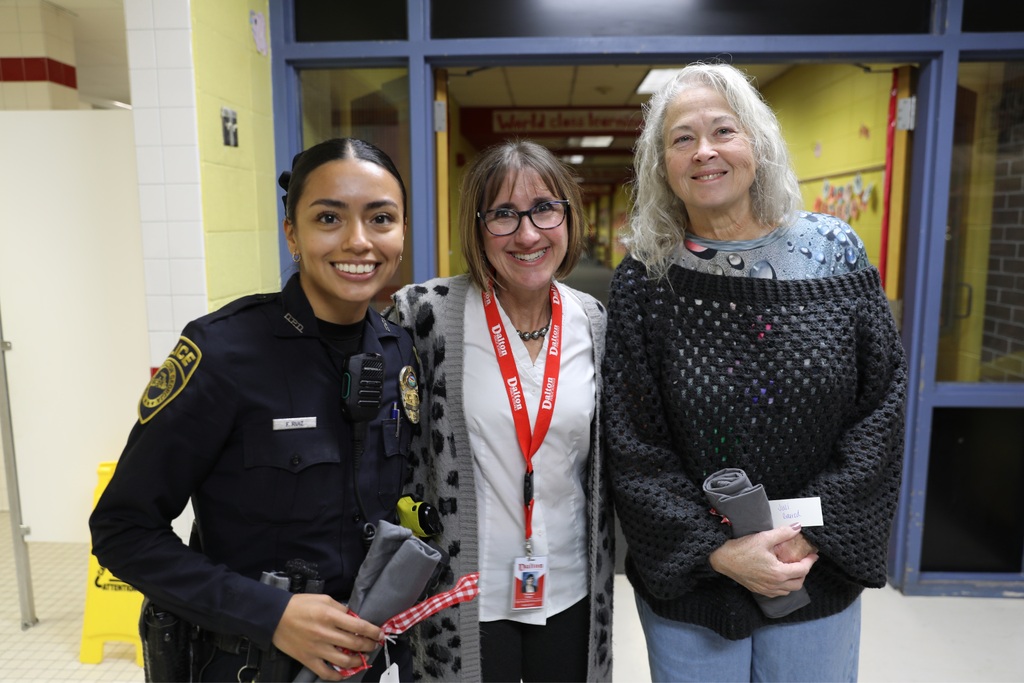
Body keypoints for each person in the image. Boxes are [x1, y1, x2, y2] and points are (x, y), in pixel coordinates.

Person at [603, 63, 908, 682]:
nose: (704, 150)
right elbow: (633, 444)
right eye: (681, 138)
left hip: (812, 569)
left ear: (757, 146)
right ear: (661, 164)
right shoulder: (647, 279)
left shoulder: (833, 252)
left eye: (723, 130)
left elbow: (881, 406)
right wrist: (721, 553)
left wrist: (808, 536)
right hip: (695, 583)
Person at [90, 138, 420, 682]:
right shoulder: (223, 353)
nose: (358, 241)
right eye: (329, 218)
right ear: (292, 232)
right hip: (248, 662)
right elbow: (123, 529)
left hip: (370, 664)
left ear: (402, 232)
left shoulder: (397, 351)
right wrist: (270, 614)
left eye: (380, 218)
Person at [387, 140, 614, 682]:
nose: (528, 233)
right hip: (462, 595)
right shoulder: (425, 314)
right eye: (504, 215)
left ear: (567, 217)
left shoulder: (595, 321)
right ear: (477, 226)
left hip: (570, 587)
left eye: (544, 209)